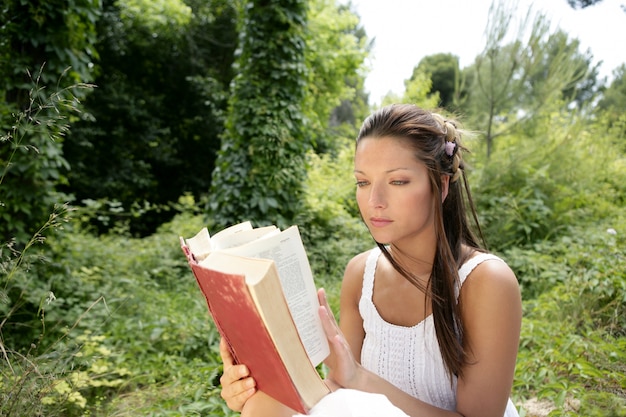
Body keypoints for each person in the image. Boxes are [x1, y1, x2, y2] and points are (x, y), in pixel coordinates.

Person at [219, 103, 523, 417]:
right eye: (363, 183)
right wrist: (253, 389)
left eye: (398, 182)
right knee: (264, 404)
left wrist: (358, 377)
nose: (374, 201)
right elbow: (339, 392)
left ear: (442, 185)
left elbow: (354, 388)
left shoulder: (486, 282)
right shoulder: (361, 274)